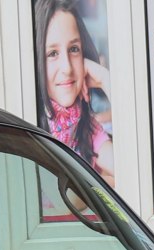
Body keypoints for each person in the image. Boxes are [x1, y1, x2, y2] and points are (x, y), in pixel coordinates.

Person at [35, 0, 115, 186]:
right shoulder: (32, 120)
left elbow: (131, 169)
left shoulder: (86, 126)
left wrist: (104, 78)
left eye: (73, 49)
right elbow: (66, 197)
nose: (68, 68)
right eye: (53, 53)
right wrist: (106, 182)